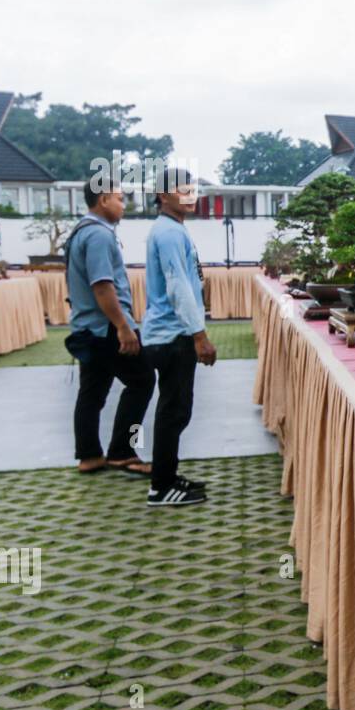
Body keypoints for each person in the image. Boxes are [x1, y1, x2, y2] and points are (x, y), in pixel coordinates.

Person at [65, 171, 155, 477]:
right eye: (119, 199)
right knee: (142, 380)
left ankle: (89, 455)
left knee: (92, 391)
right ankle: (122, 451)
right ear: (103, 200)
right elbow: (102, 286)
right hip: (106, 329)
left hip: (88, 329)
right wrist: (123, 327)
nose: (123, 205)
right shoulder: (99, 235)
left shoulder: (81, 231)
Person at [143, 167, 216, 507]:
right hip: (172, 335)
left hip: (170, 333)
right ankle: (160, 488)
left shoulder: (172, 229)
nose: (191, 197)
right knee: (173, 412)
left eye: (193, 190)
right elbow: (178, 287)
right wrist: (199, 335)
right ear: (162, 195)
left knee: (176, 410)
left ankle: (168, 477)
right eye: (182, 191)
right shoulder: (169, 233)